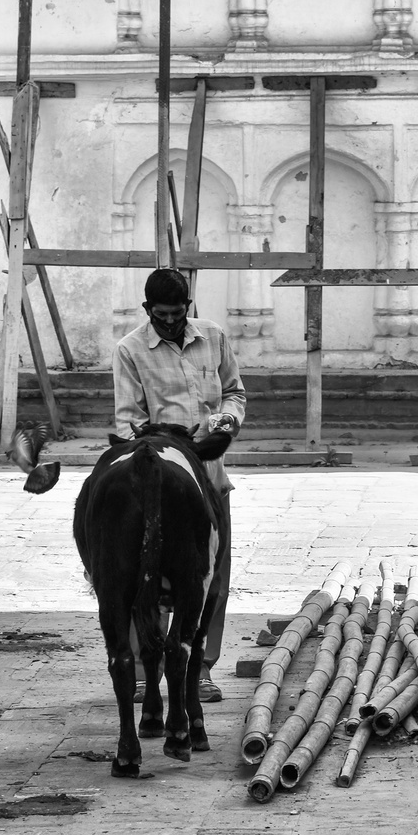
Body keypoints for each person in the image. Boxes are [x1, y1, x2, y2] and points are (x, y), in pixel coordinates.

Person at [113, 268, 245, 703]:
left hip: (209, 475)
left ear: (188, 308)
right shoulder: (130, 349)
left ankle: (200, 668)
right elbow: (128, 419)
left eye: (177, 314)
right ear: (147, 309)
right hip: (161, 478)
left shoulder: (213, 336)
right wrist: (170, 442)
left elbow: (234, 392)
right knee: (143, 574)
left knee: (211, 577)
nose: (170, 323)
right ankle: (137, 667)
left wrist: (227, 419)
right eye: (161, 315)